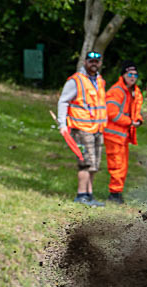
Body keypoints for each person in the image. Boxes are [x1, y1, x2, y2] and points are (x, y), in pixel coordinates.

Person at [57, 50, 107, 207]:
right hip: (82, 128)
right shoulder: (76, 81)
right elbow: (63, 101)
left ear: (100, 63)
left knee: (94, 165)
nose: (94, 63)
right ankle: (81, 195)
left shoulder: (100, 81)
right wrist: (62, 125)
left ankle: (89, 195)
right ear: (85, 62)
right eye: (91, 60)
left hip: (97, 128)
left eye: (97, 61)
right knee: (85, 163)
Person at [103, 60, 143, 204]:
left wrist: (138, 119)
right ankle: (114, 195)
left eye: (135, 75)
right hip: (113, 134)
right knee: (116, 165)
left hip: (123, 135)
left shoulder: (133, 92)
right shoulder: (116, 91)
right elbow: (112, 113)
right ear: (124, 75)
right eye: (130, 74)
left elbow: (134, 111)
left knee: (123, 165)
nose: (133, 77)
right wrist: (130, 122)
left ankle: (117, 193)